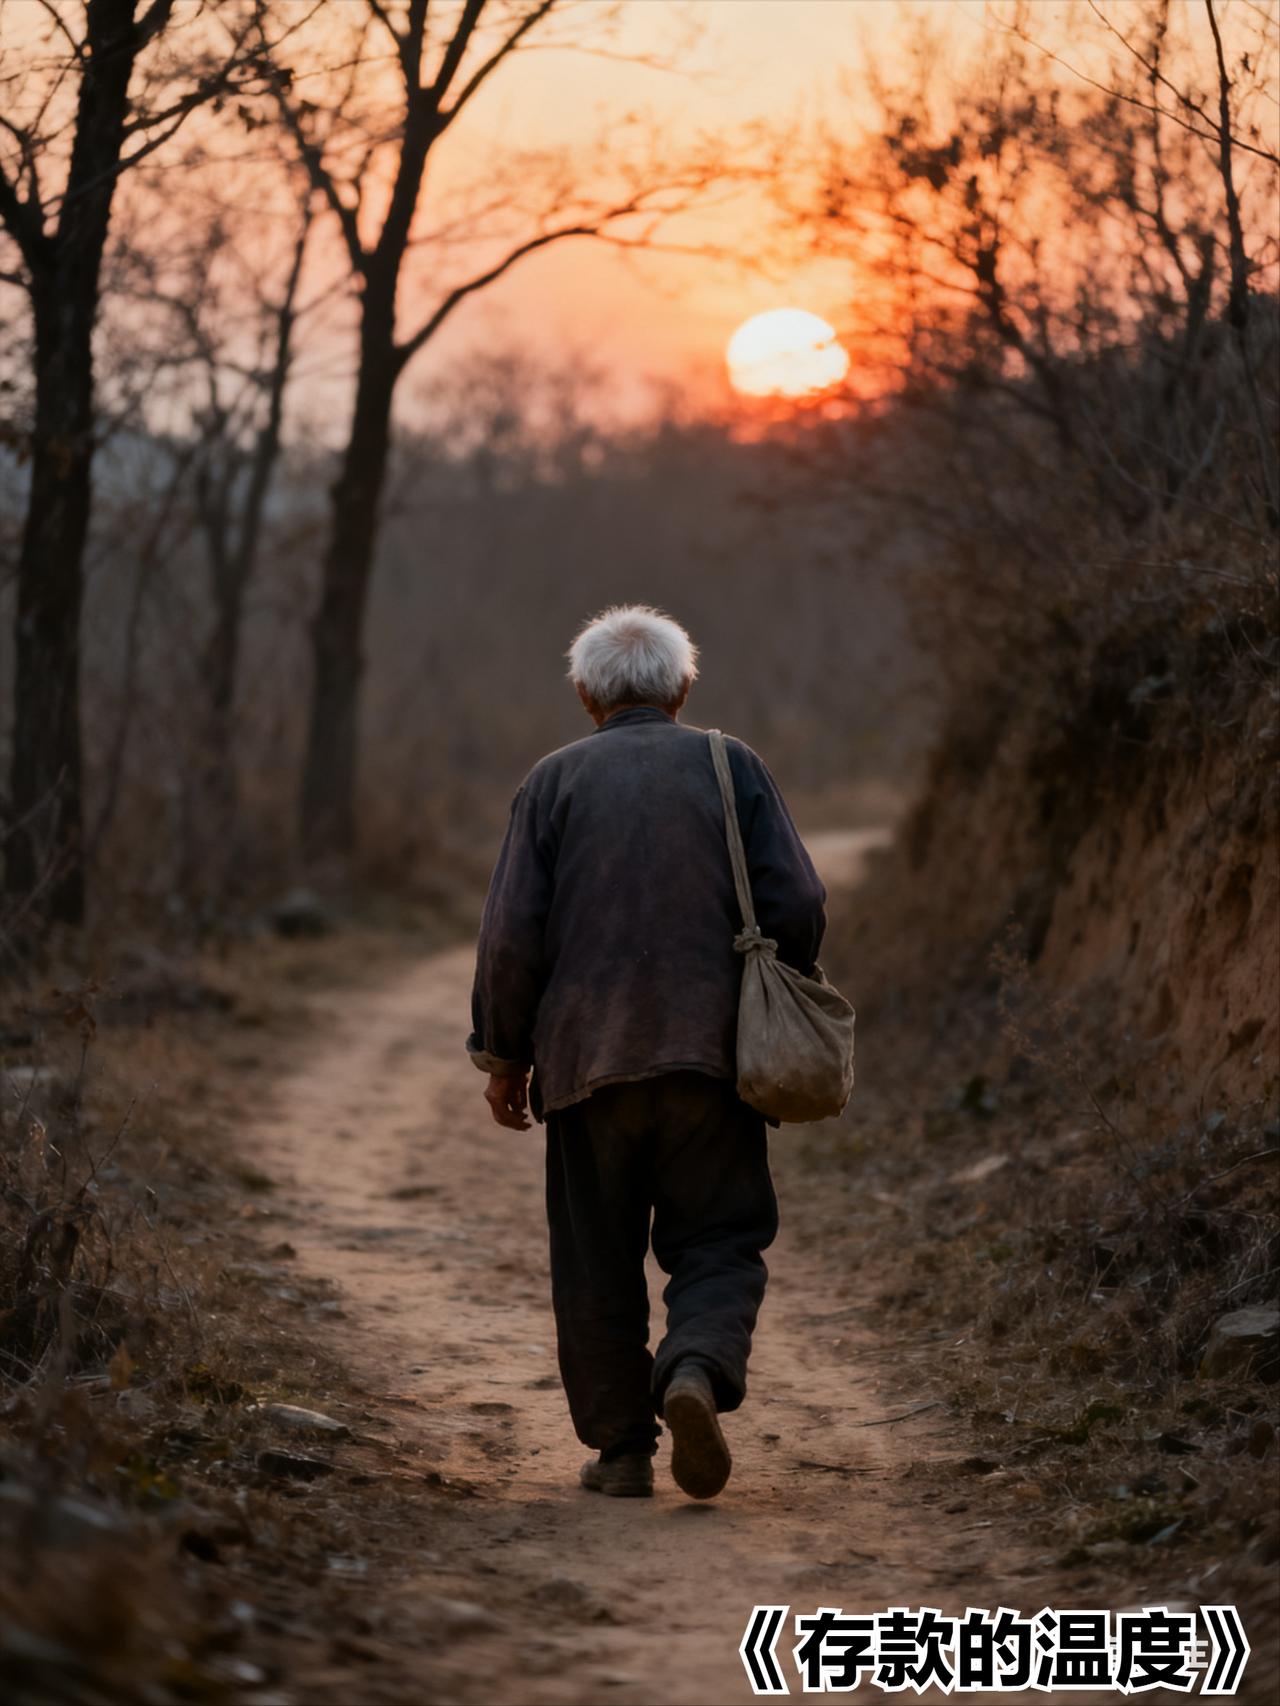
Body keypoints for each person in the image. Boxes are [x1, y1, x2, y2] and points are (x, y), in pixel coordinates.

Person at [466, 605, 826, 1500]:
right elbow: (801, 901)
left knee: (596, 1256)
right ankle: (694, 1371)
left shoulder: (550, 783)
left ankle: (624, 1451)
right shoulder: (729, 763)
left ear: (587, 694)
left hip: (588, 1066)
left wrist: (503, 1055)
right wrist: (779, 988)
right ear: (682, 689)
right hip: (711, 1061)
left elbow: (512, 939)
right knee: (720, 1237)